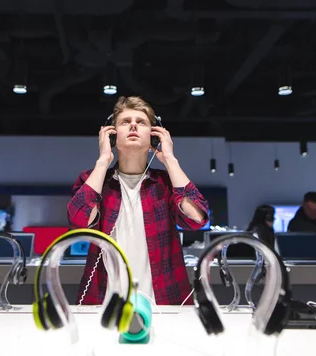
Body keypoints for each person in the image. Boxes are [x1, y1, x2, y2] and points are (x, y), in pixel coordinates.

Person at [67, 96, 209, 305]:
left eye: (141, 122)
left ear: (153, 136)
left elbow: (197, 220)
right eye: (125, 121)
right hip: (103, 302)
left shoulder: (166, 182)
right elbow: (79, 223)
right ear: (112, 135)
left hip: (164, 302)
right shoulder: (94, 180)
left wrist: (170, 159)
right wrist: (103, 160)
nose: (133, 125)